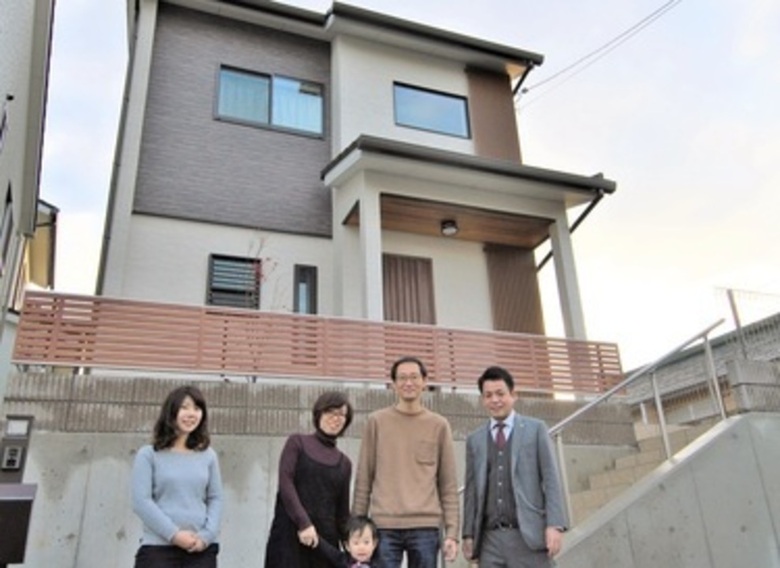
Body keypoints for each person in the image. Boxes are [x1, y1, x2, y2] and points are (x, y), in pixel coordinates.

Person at [352, 356, 460, 567]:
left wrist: (452, 532)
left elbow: (448, 484)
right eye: (402, 378)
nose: (408, 383)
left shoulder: (439, 425)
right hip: (383, 525)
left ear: (424, 382)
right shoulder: (377, 422)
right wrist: (357, 527)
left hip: (426, 527)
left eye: (414, 377)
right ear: (393, 384)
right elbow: (364, 476)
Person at [462, 366, 567, 568]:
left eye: (500, 393)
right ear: (483, 400)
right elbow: (471, 492)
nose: (495, 400)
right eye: (488, 395)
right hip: (489, 541)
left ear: (513, 395)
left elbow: (552, 479)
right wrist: (468, 534)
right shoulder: (474, 440)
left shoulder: (535, 429)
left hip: (528, 535)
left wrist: (555, 525)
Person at [132, 384, 223, 568]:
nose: (191, 414)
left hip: (200, 550)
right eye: (184, 407)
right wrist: (175, 535)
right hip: (158, 550)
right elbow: (141, 502)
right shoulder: (148, 454)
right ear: (171, 412)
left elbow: (216, 498)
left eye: (197, 408)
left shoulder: (208, 455)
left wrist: (206, 536)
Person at [264, 391, 354, 568]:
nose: (336, 418)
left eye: (342, 415)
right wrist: (304, 523)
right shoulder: (297, 443)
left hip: (323, 543)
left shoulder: (345, 463)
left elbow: (342, 513)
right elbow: (286, 484)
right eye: (331, 412)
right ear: (319, 413)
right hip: (290, 534)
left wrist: (353, 546)